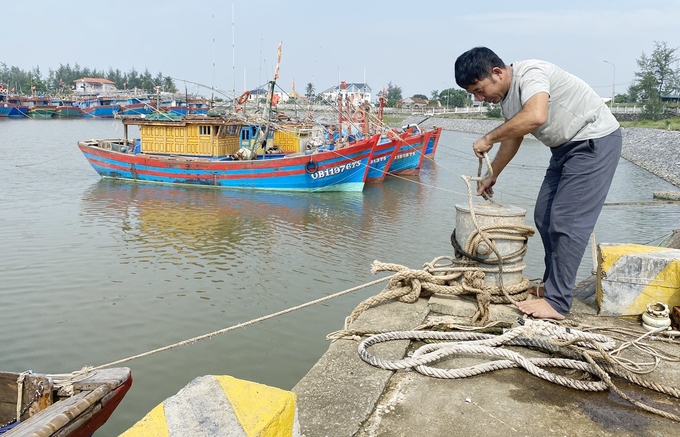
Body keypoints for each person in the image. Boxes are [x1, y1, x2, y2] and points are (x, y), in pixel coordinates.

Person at [454, 47, 622, 320]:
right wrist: (492, 173)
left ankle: (557, 302)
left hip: (593, 142)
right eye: (473, 94)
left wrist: (488, 138)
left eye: (479, 89)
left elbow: (535, 116)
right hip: (564, 148)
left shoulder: (531, 73)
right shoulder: (506, 98)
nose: (479, 98)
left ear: (497, 73)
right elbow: (514, 134)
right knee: (544, 216)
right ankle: (551, 286)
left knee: (567, 221)